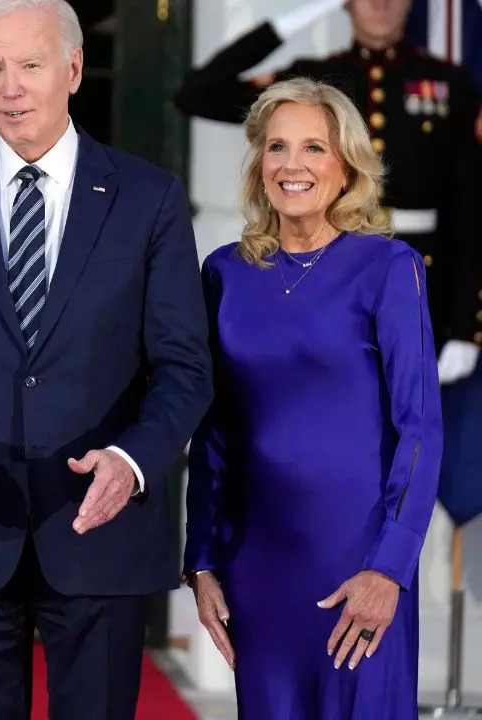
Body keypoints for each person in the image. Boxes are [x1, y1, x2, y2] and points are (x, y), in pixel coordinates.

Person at [0, 1, 213, 717]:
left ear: (74, 69)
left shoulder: (148, 199)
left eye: (29, 65)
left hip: (98, 526)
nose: (10, 87)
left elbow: (183, 367)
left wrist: (131, 459)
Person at [184, 76, 442, 718]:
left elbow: (420, 428)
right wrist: (203, 558)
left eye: (313, 149)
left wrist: (390, 568)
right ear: (258, 164)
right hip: (258, 563)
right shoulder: (223, 273)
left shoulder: (388, 268)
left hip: (360, 561)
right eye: (276, 148)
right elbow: (213, 428)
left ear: (347, 164)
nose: (291, 166)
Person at [172, 0, 482, 386]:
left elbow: (468, 209)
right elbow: (197, 93)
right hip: (327, 273)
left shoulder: (449, 84)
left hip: (422, 281)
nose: (381, 4)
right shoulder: (316, 81)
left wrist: (467, 324)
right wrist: (302, 16)